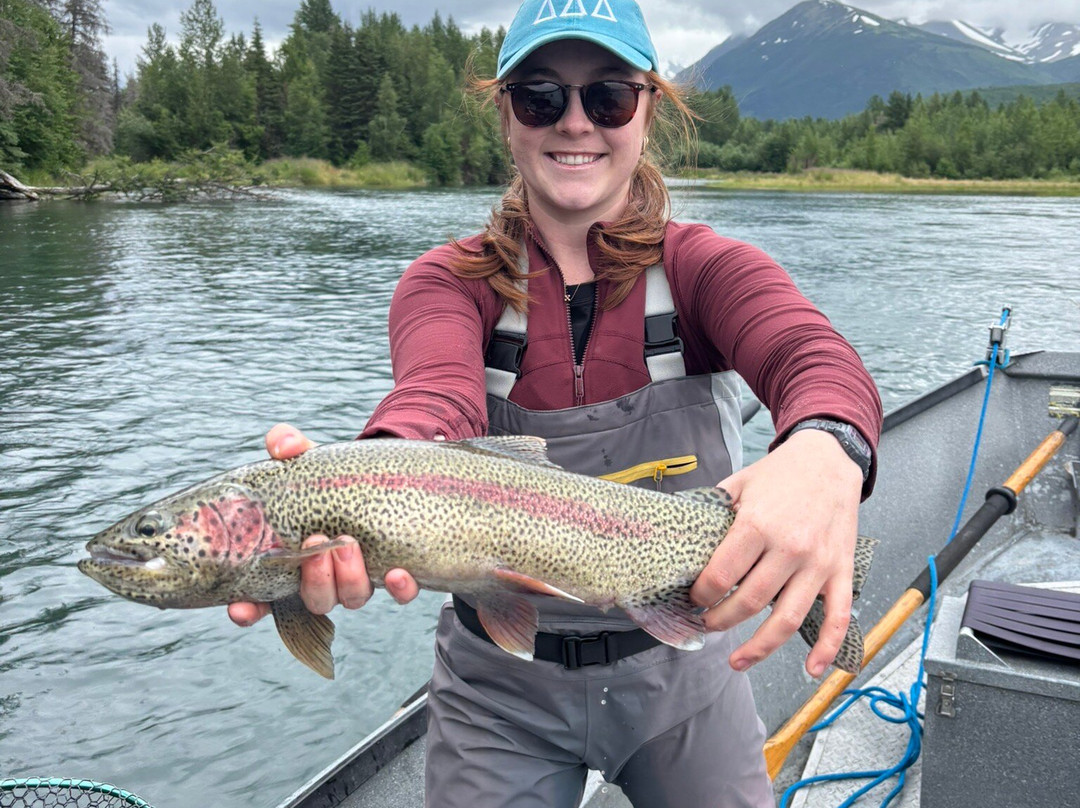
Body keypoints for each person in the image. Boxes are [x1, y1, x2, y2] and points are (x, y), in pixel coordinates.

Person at [230, 1, 882, 804]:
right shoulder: (446, 284)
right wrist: (368, 478)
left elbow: (812, 358)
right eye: (542, 97)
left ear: (648, 111)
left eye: (607, 96)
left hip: (680, 673)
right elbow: (432, 398)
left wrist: (826, 446)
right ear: (506, 115)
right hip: (495, 686)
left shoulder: (708, 269)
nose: (576, 124)